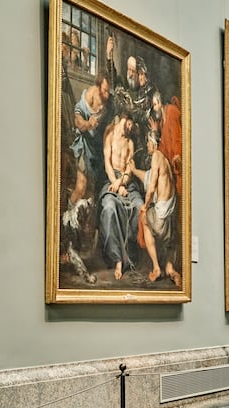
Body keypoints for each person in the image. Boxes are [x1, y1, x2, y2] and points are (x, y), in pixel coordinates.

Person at [131, 129, 180, 287]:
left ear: (153, 143)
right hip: (170, 214)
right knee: (169, 240)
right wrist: (133, 171)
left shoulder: (156, 157)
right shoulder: (163, 160)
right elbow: (148, 177)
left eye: (148, 142)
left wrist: (145, 207)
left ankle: (156, 268)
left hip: (161, 215)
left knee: (144, 219)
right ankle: (170, 268)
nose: (147, 145)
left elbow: (151, 188)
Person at [98, 111, 143, 280]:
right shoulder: (109, 133)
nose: (130, 128)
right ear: (124, 119)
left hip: (127, 182)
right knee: (109, 208)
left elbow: (130, 169)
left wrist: (122, 182)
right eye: (129, 124)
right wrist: (116, 185)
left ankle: (128, 256)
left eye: (132, 126)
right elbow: (107, 163)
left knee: (139, 207)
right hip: (111, 181)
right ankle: (117, 258)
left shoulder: (130, 142)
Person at [68, 71, 111, 206]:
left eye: (109, 91)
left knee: (92, 192)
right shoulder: (89, 96)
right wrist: (88, 124)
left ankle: (83, 221)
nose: (107, 95)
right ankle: (67, 216)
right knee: (81, 187)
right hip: (85, 146)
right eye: (104, 91)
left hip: (97, 149)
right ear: (98, 88)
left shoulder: (109, 100)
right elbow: (77, 121)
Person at [149, 90, 182, 198]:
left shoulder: (171, 112)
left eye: (155, 104)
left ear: (160, 103)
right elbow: (163, 149)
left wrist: (177, 154)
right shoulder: (162, 122)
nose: (154, 108)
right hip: (172, 168)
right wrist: (154, 132)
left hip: (178, 164)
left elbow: (177, 137)